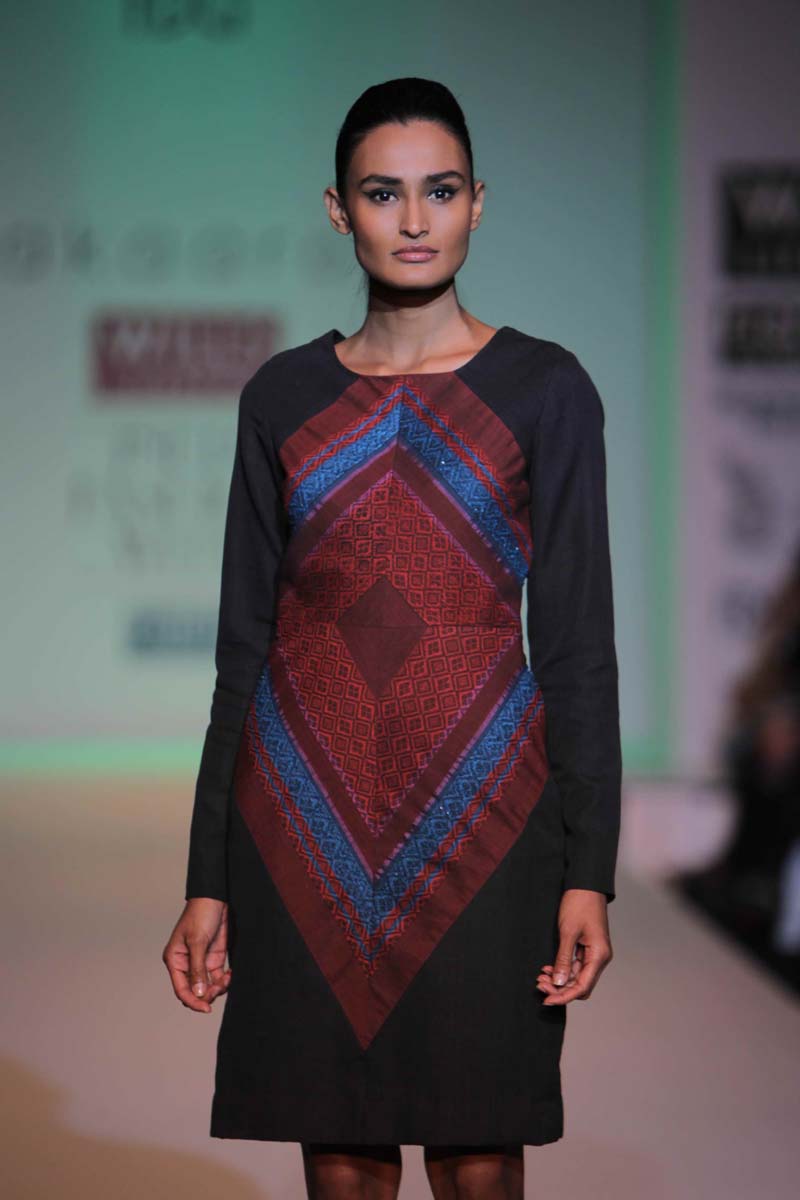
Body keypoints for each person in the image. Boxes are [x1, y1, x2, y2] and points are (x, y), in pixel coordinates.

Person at [162, 77, 622, 1200]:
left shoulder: (545, 389)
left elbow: (575, 645)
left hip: (488, 822)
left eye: (440, 191)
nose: (414, 220)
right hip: (302, 823)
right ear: (339, 210)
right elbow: (244, 651)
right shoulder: (281, 396)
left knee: (480, 1162)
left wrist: (589, 871)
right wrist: (208, 877)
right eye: (383, 193)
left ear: (478, 202)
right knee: (342, 1165)